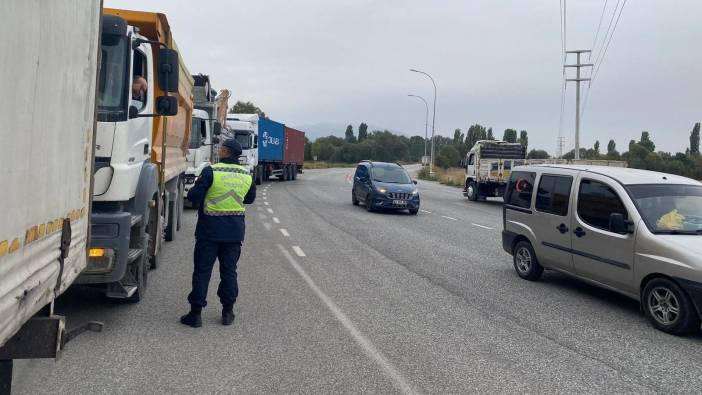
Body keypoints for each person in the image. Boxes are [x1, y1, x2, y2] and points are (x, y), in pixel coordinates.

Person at [180, 139, 256, 327]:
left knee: (202, 271)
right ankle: (228, 312)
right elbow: (250, 199)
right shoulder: (246, 174)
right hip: (234, 233)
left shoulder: (211, 171)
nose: (219, 150)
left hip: (209, 232)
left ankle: (195, 314)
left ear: (226, 152)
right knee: (229, 271)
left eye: (221, 148)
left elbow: (193, 196)